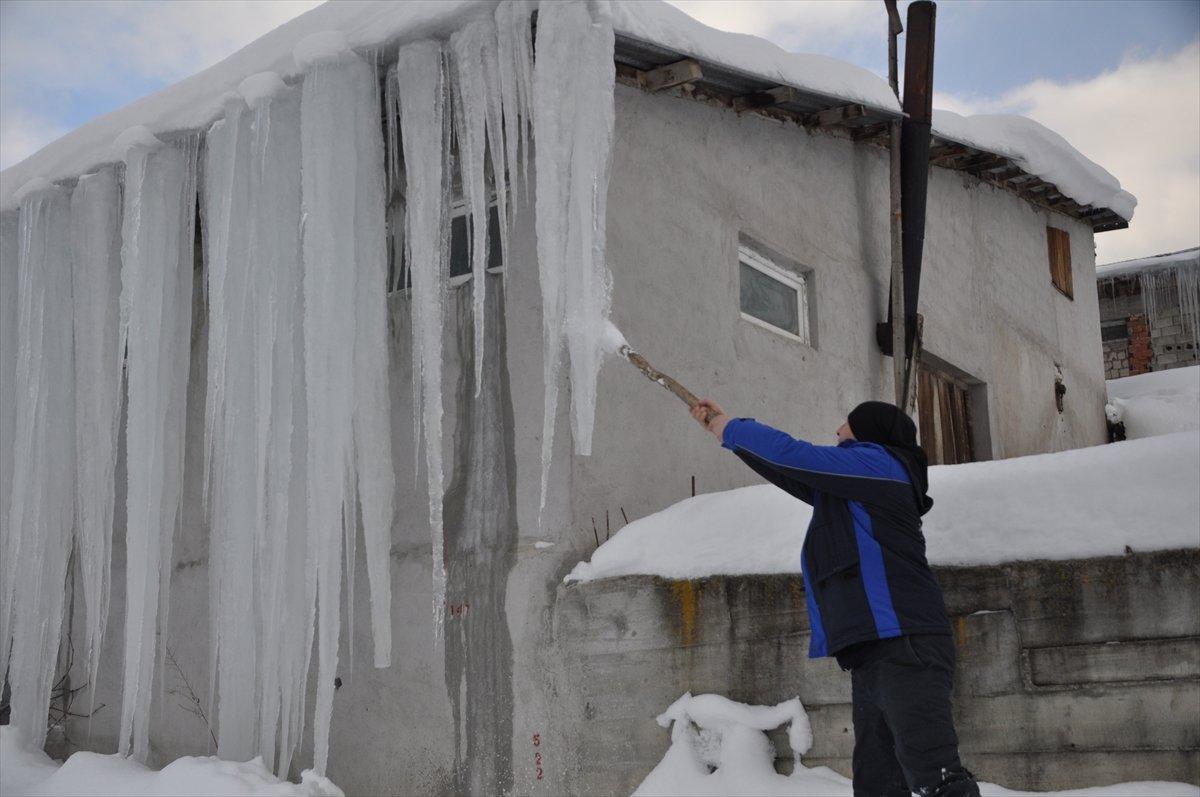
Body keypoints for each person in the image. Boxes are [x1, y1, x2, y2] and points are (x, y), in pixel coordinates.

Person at [689, 398, 981, 797]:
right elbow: (789, 469)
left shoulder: (882, 467)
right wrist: (726, 434)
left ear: (869, 434)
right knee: (878, 783)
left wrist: (732, 426)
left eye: (845, 426)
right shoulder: (856, 488)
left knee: (936, 775)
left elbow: (797, 456)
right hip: (874, 652)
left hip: (907, 643)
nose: (837, 432)